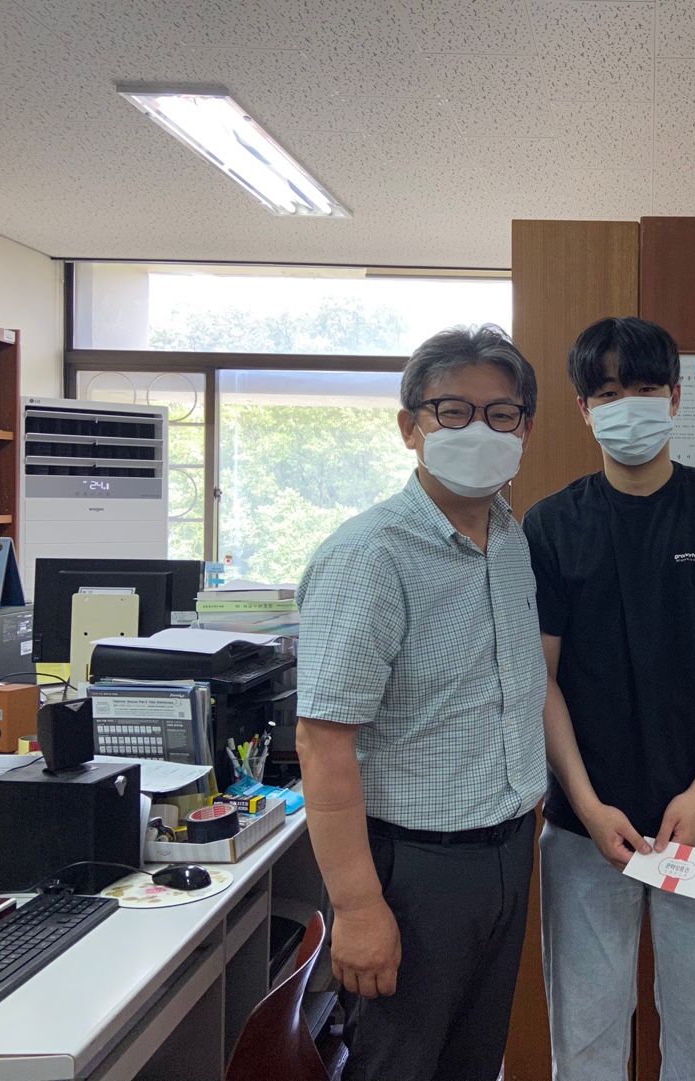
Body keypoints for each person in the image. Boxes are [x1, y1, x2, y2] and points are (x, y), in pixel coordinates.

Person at [523, 316, 695, 1081]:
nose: (629, 406)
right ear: (584, 408)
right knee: (584, 1036)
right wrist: (587, 804)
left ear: (676, 397)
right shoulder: (550, 525)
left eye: (646, 388)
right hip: (586, 829)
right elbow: (539, 676)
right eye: (609, 392)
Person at [294, 324, 547, 1081]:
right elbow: (323, 742)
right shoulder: (369, 555)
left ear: (525, 429)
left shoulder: (511, 539)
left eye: (501, 414)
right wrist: (358, 907)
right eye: (454, 411)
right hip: (411, 871)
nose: (480, 430)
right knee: (397, 1065)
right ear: (411, 427)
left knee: (472, 1062)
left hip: (507, 850)